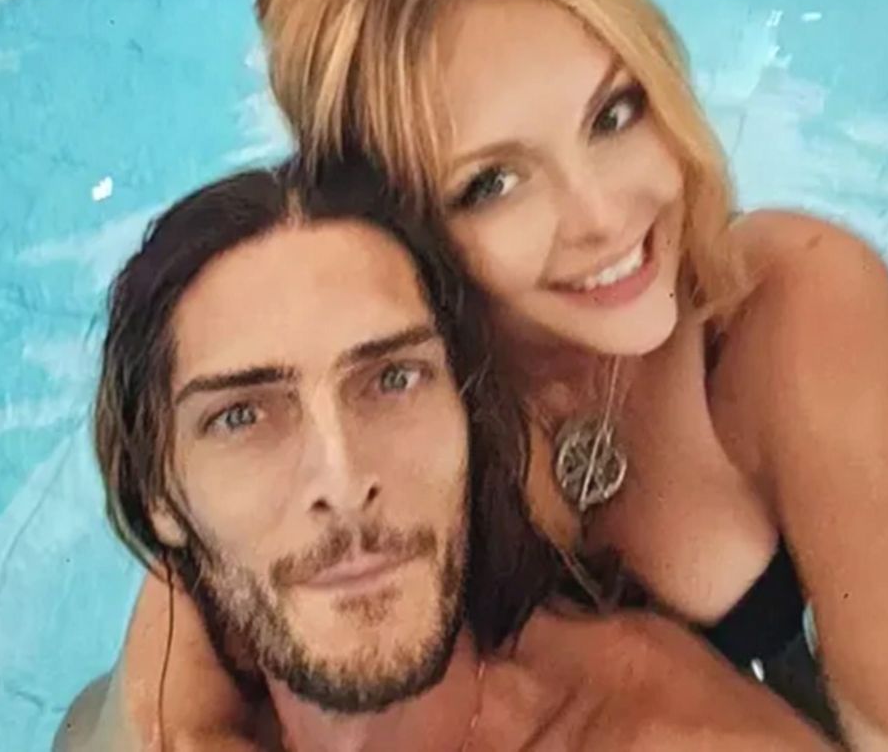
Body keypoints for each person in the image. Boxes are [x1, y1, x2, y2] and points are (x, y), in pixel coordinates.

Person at [109, 0, 888, 750]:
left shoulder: (784, 316)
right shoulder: (379, 382)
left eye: (612, 115)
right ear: (399, 226)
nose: (602, 216)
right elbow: (180, 650)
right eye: (493, 183)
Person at [57, 160, 834, 750]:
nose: (341, 479)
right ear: (161, 495)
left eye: (392, 379)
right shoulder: (157, 704)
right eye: (241, 416)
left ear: (470, 417)